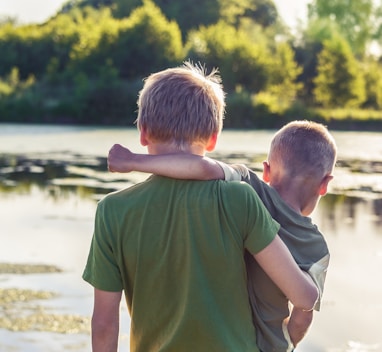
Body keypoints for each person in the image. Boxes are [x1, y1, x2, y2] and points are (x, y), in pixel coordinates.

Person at [83, 62, 318, 352]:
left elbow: (105, 325)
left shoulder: (112, 211)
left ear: (143, 133)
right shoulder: (240, 199)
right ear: (213, 138)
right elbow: (303, 297)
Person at [107, 120, 337, 351]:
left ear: (266, 171)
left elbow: (203, 168)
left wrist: (134, 161)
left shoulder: (250, 186)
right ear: (325, 184)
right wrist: (286, 341)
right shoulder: (317, 248)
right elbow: (303, 315)